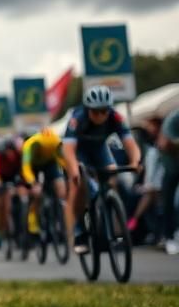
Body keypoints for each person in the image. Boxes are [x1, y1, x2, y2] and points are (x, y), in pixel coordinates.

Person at [62, 85, 141, 254]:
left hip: (99, 149)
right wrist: (74, 170)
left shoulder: (115, 117)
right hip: (78, 151)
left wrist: (135, 161)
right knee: (79, 185)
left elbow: (129, 142)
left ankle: (109, 225)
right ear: (88, 109)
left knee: (112, 177)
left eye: (104, 111)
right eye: (95, 112)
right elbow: (68, 150)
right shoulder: (78, 118)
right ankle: (79, 232)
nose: (100, 116)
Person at [21, 127, 69, 237]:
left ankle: (60, 215)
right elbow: (26, 168)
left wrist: (68, 173)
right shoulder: (29, 145)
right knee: (37, 194)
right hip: (33, 166)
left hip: (50, 164)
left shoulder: (56, 141)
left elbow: (61, 160)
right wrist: (33, 182)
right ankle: (33, 220)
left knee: (61, 188)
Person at [0, 137, 23, 245]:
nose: (10, 154)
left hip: (16, 178)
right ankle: (0, 231)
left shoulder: (20, 156)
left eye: (11, 151)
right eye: (7, 152)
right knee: (0, 204)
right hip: (2, 180)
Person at [158, 109, 179, 255]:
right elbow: (164, 143)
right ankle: (168, 237)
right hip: (171, 164)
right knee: (168, 201)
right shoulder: (173, 118)